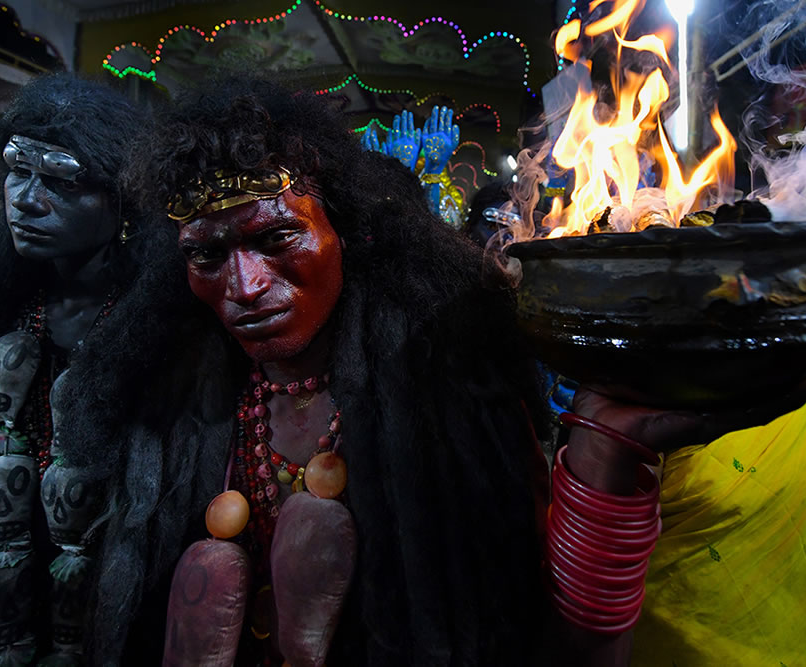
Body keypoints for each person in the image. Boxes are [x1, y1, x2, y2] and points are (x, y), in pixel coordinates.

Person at [131, 78, 549, 665]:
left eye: (278, 236)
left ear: (346, 234)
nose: (245, 286)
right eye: (207, 254)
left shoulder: (451, 394)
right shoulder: (176, 406)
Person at [0, 74, 236, 665]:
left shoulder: (176, 317)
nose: (24, 198)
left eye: (59, 178)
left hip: (119, 599)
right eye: (16, 169)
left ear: (122, 195)